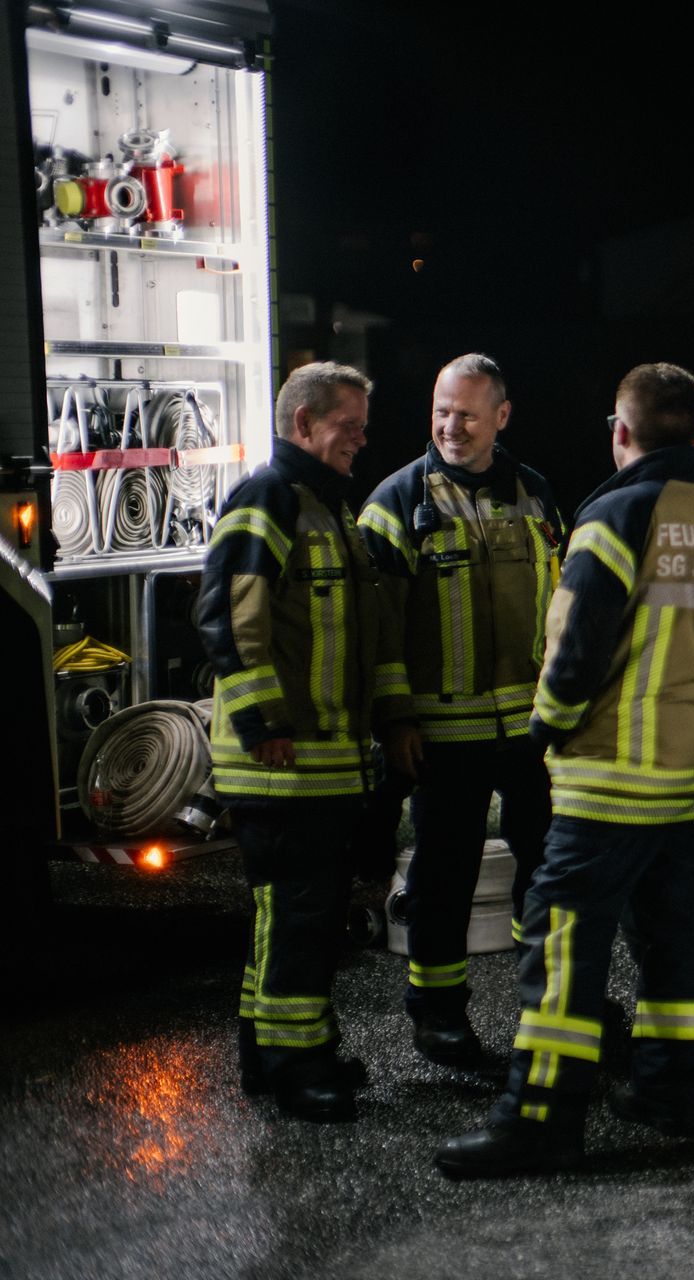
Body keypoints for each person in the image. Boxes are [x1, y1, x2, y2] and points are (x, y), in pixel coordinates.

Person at [436, 362, 694, 1177]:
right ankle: (668, 1091)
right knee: (674, 939)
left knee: (561, 944)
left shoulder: (613, 516)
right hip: (689, 772)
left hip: (609, 775)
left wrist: (544, 728)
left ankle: (540, 1119)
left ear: (621, 431)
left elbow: (576, 648)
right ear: (693, 430)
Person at [195, 361, 407, 1123]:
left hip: (320, 766)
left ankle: (271, 1054)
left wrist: (391, 721)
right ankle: (299, 1069)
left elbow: (367, 635)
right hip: (282, 767)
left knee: (289, 917)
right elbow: (228, 615)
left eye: (363, 426)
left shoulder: (328, 508)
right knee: (300, 920)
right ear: (303, 424)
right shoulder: (270, 499)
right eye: (348, 425)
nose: (361, 439)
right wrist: (266, 725)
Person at [357, 354, 565, 1067]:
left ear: (500, 417)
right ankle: (438, 1016)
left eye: (467, 414)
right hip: (443, 735)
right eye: (441, 411)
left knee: (550, 870)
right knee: (443, 879)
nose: (450, 426)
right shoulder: (396, 501)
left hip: (532, 729)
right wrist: (394, 721)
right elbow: (378, 629)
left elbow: (561, 602)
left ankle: (555, 1002)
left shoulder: (534, 493)